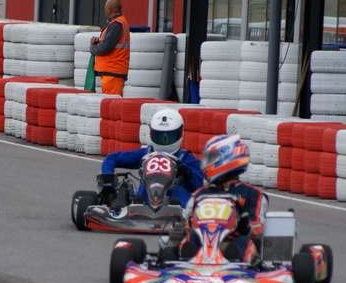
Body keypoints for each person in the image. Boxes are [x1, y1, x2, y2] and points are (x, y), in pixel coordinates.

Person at [178, 134, 268, 264]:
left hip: (234, 240)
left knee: (244, 243)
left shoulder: (252, 194)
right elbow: (186, 221)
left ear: (228, 157)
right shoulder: (200, 193)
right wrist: (185, 228)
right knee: (189, 239)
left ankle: (235, 262)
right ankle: (185, 259)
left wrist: (243, 226)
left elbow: (258, 228)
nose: (206, 163)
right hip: (202, 238)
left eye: (211, 158)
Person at [97, 108, 204, 208]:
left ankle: (176, 207)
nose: (164, 141)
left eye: (169, 136)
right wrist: (108, 180)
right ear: (152, 134)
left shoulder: (186, 158)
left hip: (178, 204)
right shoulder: (145, 154)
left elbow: (201, 184)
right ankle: (136, 204)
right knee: (122, 191)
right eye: (159, 136)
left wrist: (187, 174)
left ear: (180, 133)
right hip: (143, 201)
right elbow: (111, 158)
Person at [90, 0, 130, 96]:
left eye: (105, 9)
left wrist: (93, 48)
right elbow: (109, 43)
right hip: (111, 73)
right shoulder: (117, 23)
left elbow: (105, 47)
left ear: (110, 10)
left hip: (112, 73)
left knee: (112, 107)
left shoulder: (116, 25)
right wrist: (98, 40)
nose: (104, 11)